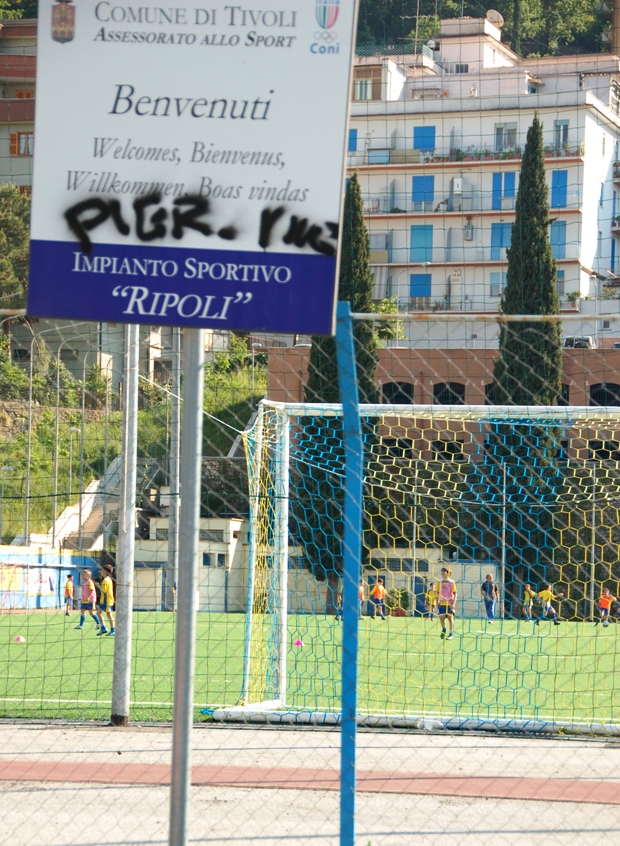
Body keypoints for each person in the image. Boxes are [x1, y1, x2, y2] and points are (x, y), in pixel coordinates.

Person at [437, 567, 457, 640]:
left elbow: (455, 594)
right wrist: (437, 602)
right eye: (441, 571)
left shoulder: (452, 582)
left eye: (444, 571)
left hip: (449, 603)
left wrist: (453, 603)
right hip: (442, 603)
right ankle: (444, 629)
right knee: (441, 618)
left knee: (450, 618)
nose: (442, 573)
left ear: (447, 573)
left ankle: (451, 634)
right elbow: (437, 593)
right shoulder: (440, 582)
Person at [97, 568, 116, 636]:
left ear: (105, 571)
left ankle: (113, 630)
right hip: (104, 600)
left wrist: (98, 586)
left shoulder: (106, 580)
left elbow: (104, 591)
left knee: (109, 615)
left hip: (107, 600)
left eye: (102, 570)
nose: (101, 571)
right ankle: (103, 628)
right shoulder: (107, 579)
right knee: (98, 612)